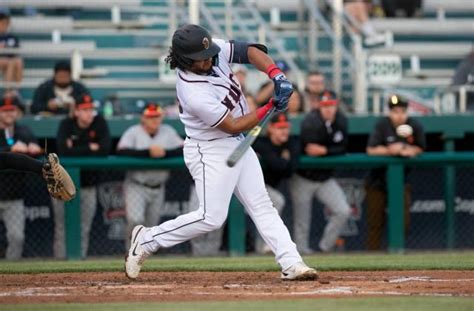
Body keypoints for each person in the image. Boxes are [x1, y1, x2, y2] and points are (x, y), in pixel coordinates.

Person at [125, 24, 317, 281]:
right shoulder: (192, 90)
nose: (207, 60)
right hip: (210, 148)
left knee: (262, 205)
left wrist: (276, 75)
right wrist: (268, 105)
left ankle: (292, 263)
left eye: (208, 54)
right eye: (199, 59)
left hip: (237, 141)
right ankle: (147, 239)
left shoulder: (208, 49)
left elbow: (249, 52)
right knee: (211, 217)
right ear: (184, 60)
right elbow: (232, 124)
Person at [289, 91, 351, 254]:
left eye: (331, 105)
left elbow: (343, 148)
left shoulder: (341, 121)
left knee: (343, 210)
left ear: (336, 106)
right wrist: (330, 149)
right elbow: (311, 150)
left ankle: (326, 247)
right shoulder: (311, 121)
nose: (328, 109)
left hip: (324, 178)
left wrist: (326, 150)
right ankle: (301, 252)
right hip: (303, 177)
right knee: (302, 219)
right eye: (325, 106)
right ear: (319, 106)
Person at [117, 103, 183, 246]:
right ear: (143, 118)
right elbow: (121, 152)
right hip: (137, 185)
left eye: (157, 117)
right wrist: (147, 153)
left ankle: (145, 258)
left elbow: (184, 148)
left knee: (152, 228)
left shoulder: (168, 131)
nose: (154, 120)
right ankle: (130, 253)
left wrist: (165, 153)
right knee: (135, 220)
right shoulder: (133, 131)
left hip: (158, 186)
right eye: (150, 117)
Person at [53, 94, 111, 258]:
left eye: (91, 109)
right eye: (84, 110)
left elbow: (105, 150)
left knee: (84, 227)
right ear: (76, 111)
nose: (89, 113)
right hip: (63, 186)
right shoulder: (66, 124)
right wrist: (90, 147)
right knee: (61, 226)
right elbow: (63, 152)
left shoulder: (99, 122)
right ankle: (59, 262)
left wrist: (77, 146)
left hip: (88, 185)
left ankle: (78, 262)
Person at [365, 94, 425, 250]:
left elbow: (420, 147)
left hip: (400, 182)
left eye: (402, 111)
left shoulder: (414, 125)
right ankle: (372, 258)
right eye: (395, 111)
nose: (399, 115)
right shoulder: (382, 125)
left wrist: (406, 149)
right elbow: (371, 149)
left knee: (403, 221)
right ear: (390, 112)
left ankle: (398, 253)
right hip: (377, 181)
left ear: (407, 112)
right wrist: (390, 150)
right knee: (375, 222)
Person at [0, 96, 40, 259]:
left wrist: (34, 148)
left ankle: (11, 272)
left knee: (17, 237)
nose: (9, 114)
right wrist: (11, 148)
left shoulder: (24, 131)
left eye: (12, 110)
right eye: (5, 110)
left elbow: (36, 149)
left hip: (14, 195)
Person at [253, 112, 299, 253]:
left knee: (272, 205)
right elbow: (277, 165)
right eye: (279, 127)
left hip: (266, 187)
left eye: (285, 127)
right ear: (271, 128)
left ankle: (264, 245)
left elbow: (291, 170)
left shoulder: (291, 142)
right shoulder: (261, 142)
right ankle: (266, 245)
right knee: (277, 201)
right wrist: (284, 160)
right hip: (249, 187)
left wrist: (282, 163)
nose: (283, 131)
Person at [0, 12, 23, 95]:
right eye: (2, 23)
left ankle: (16, 91)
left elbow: (16, 51)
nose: (4, 26)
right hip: (3, 60)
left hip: (9, 60)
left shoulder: (12, 37)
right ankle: (8, 91)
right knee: (11, 62)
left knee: (18, 61)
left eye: (6, 23)